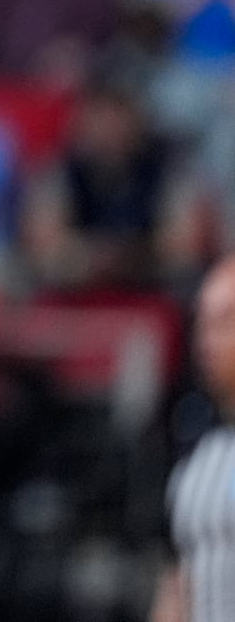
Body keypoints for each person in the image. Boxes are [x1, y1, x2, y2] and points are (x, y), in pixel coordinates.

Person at [155, 257, 235, 622]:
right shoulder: (196, 441)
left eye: (225, 321)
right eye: (203, 322)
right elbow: (178, 582)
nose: (207, 339)